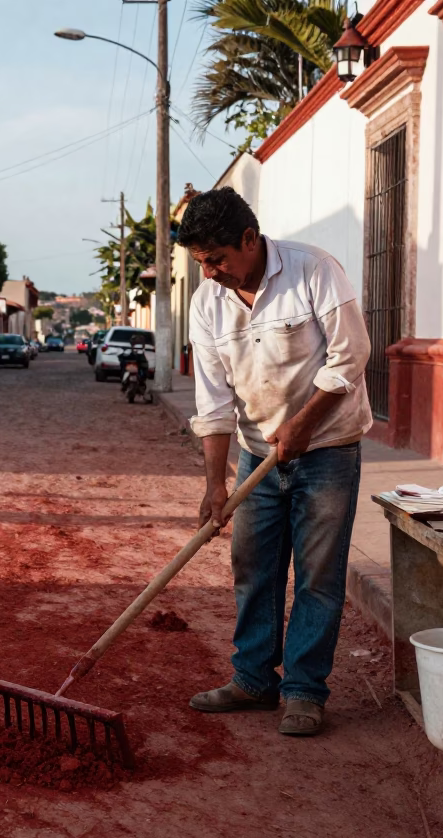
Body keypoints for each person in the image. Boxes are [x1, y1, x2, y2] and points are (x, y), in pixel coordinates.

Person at [179, 187, 372, 737]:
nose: (211, 272)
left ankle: (305, 691)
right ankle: (253, 680)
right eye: (200, 263)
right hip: (257, 455)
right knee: (254, 569)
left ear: (249, 239)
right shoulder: (207, 303)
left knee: (317, 576)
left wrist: (305, 423)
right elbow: (213, 403)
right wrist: (214, 486)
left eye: (217, 259)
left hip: (328, 450)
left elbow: (351, 356)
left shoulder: (314, 270)